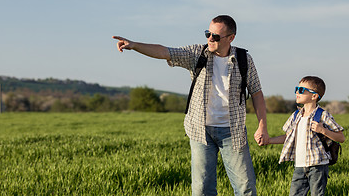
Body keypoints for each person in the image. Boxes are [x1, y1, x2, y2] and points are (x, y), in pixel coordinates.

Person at [113, 15, 269, 196]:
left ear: (231, 38)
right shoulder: (196, 54)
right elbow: (165, 52)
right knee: (202, 190)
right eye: (208, 33)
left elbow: (256, 93)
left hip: (233, 132)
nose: (210, 39)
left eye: (216, 36)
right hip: (200, 131)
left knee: (245, 188)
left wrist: (262, 126)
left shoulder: (244, 59)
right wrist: (135, 45)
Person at [261, 76, 345, 196]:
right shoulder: (296, 116)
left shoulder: (323, 115)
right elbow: (288, 137)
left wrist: (323, 130)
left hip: (318, 165)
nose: (296, 92)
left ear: (314, 96)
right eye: (296, 89)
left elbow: (341, 137)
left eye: (301, 90)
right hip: (299, 166)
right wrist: (269, 140)